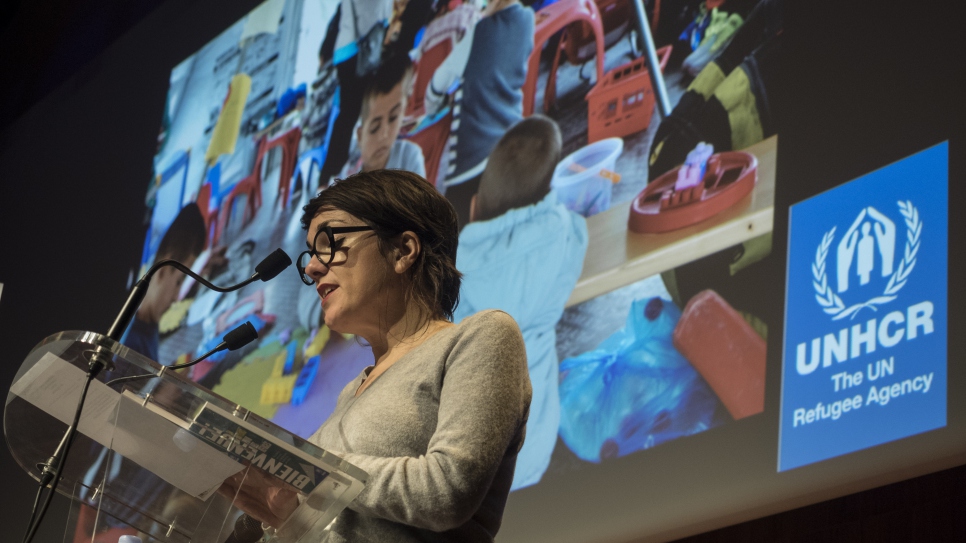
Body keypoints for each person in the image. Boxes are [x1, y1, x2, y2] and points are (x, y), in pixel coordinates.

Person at [232, 169, 532, 541]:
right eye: (310, 252)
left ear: (404, 250)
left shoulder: (482, 337)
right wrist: (284, 514)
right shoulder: (349, 393)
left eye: (328, 241)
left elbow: (446, 491)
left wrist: (312, 472)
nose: (311, 266)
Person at [453, 116, 588, 490]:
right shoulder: (562, 237)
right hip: (534, 448)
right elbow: (576, 228)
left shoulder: (452, 278)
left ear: (475, 207)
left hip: (468, 466)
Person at [423, 0, 534, 226]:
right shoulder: (528, 20)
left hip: (472, 161)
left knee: (453, 235)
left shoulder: (479, 31)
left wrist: (433, 104)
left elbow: (439, 81)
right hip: (511, 143)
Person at [122, 202, 207, 362]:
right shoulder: (129, 340)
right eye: (179, 282)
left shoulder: (149, 328)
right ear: (163, 269)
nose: (176, 298)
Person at [336, 55, 426, 179]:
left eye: (393, 118)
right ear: (360, 136)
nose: (384, 135)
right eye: (374, 128)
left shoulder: (408, 157)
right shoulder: (345, 179)